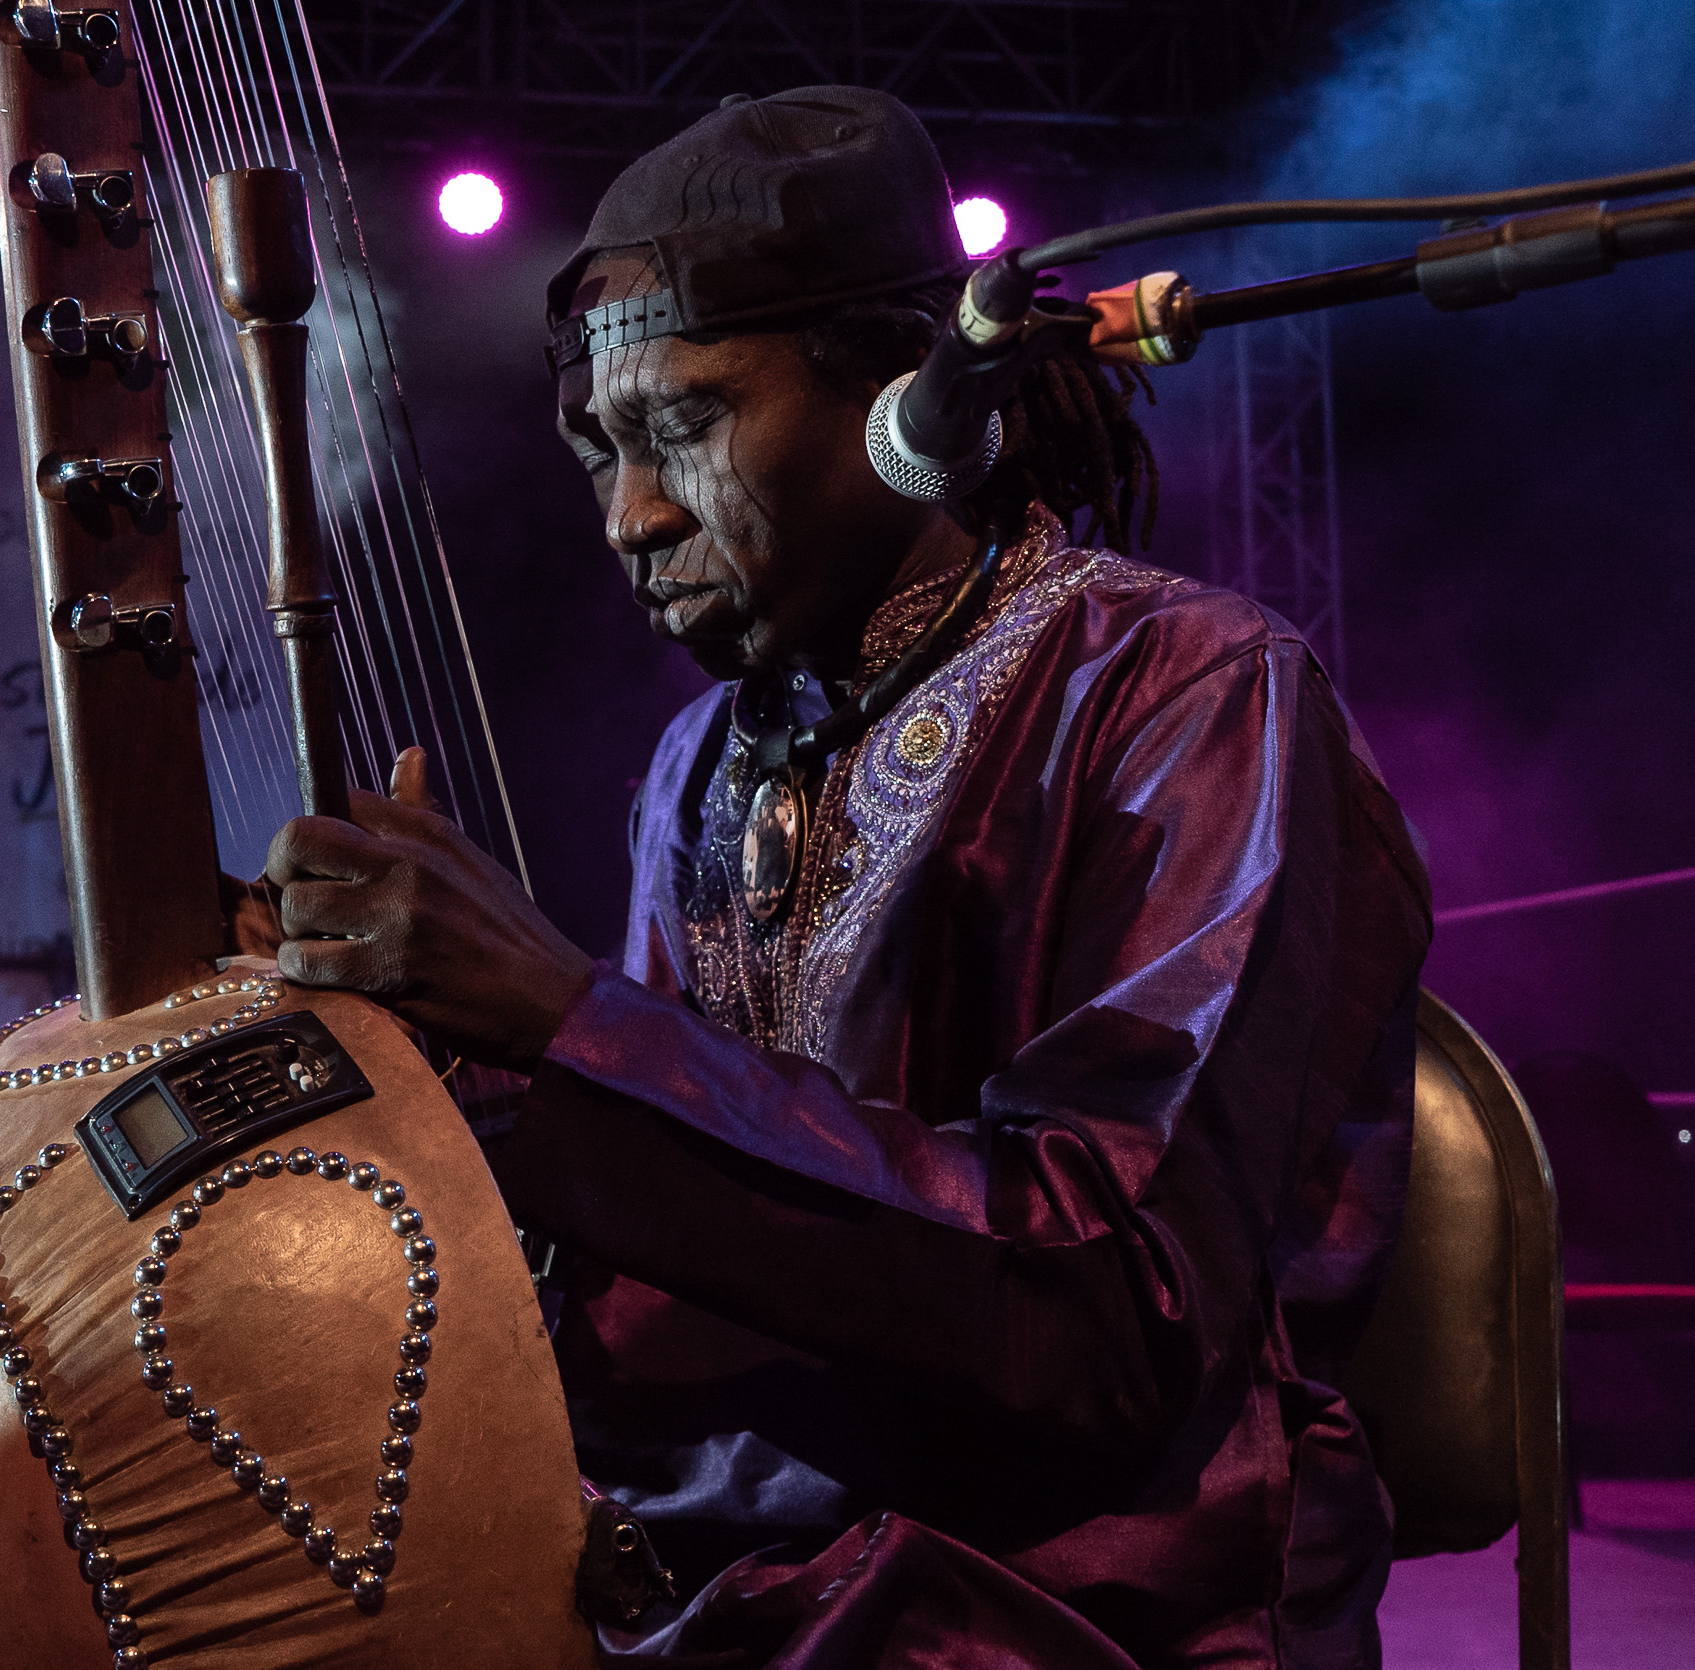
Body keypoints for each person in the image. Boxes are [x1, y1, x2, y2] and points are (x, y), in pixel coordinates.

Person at [258, 86, 1431, 1670]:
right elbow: (666, 1244)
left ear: (902, 391)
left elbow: (1117, 1314)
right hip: (736, 1580)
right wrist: (421, 1077)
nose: (631, 514)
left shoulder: (1189, 696)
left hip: (1069, 1601)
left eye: (680, 426)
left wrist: (561, 1016)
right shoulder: (698, 763)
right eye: (598, 448)